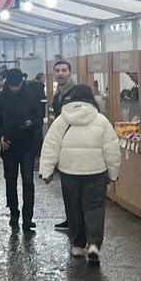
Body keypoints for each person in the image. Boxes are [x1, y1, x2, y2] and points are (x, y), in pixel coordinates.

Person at [39, 84, 120, 265]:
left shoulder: (62, 120)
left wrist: (46, 171)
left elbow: (50, 146)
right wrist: (113, 173)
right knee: (94, 208)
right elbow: (112, 149)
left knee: (73, 207)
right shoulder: (101, 120)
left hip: (69, 172)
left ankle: (77, 245)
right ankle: (93, 244)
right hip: (96, 172)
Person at [0, 69, 42, 233]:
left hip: (27, 146)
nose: (15, 89)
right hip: (9, 146)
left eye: (17, 85)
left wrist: (32, 123)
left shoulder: (30, 96)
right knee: (10, 181)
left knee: (28, 181)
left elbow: (39, 118)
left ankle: (28, 217)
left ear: (22, 82)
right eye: (12, 86)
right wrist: (0, 137)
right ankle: (14, 213)